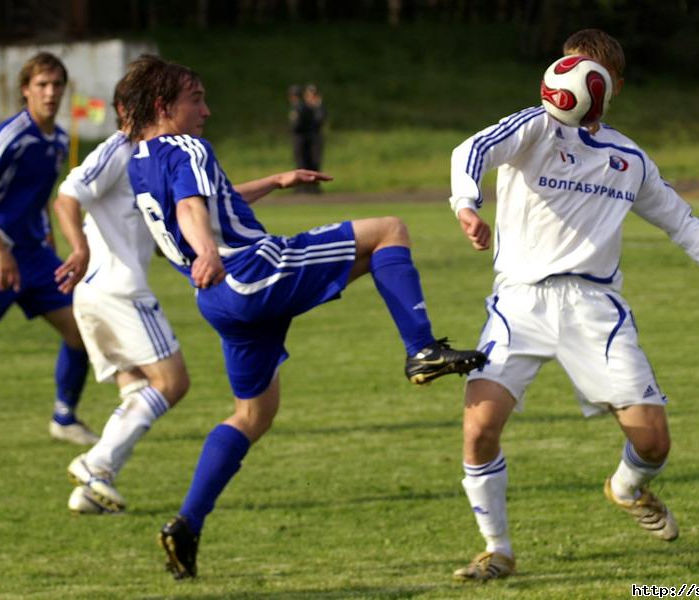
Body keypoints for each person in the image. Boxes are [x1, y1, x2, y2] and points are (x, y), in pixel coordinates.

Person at [124, 56, 486, 579]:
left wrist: (275, 180)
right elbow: (191, 209)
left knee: (253, 414)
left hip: (220, 303)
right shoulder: (187, 146)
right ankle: (422, 349)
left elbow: (206, 200)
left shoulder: (141, 159)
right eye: (196, 98)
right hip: (253, 272)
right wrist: (208, 249)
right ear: (163, 105)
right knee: (388, 229)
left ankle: (188, 523)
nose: (206, 109)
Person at [448, 28, 699, 582]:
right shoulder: (535, 127)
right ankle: (497, 549)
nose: (562, 81)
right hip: (521, 301)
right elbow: (473, 149)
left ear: (605, 88)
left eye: (580, 71)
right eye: (561, 67)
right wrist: (467, 205)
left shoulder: (628, 158)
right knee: (478, 429)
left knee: (653, 442)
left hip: (594, 306)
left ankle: (626, 487)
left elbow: (678, 216)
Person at [52, 57, 191, 513]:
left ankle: (90, 491)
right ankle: (96, 462)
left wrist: (273, 181)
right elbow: (68, 196)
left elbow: (196, 205)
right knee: (173, 382)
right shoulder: (120, 148)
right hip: (118, 291)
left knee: (136, 391)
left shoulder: (152, 159)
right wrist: (79, 247)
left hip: (95, 296)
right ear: (159, 104)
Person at [0, 52, 98, 445]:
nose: (51, 92)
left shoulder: (59, 140)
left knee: (82, 327)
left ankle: (65, 416)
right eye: (42, 85)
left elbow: (40, 196)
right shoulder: (13, 135)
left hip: (35, 254)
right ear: (25, 90)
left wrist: (48, 237)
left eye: (57, 84)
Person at [288, 82, 325, 192]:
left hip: (311, 138)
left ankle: (312, 187)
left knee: (313, 162)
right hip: (306, 138)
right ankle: (304, 187)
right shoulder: (305, 107)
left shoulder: (315, 107)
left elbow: (318, 121)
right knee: (302, 162)